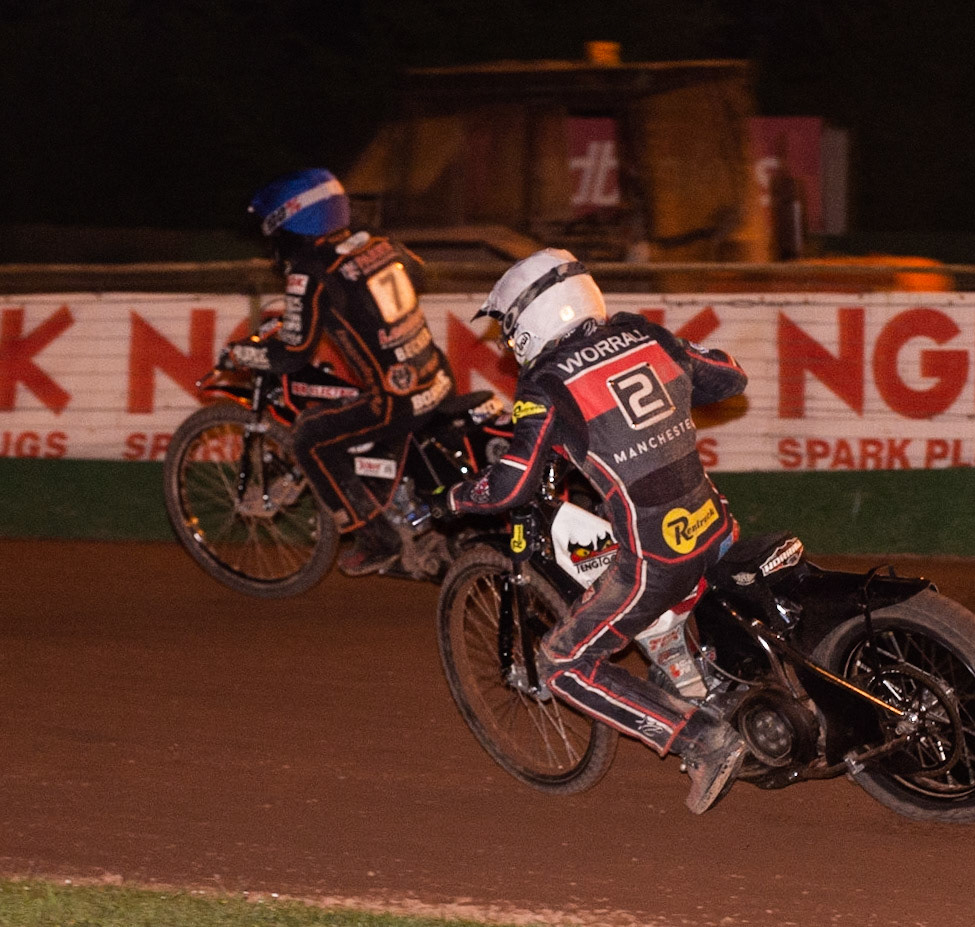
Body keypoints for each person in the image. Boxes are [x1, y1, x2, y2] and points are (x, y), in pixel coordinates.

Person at [446, 248, 749, 813]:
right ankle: (693, 667)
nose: (509, 340)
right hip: (717, 525)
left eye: (509, 325)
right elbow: (730, 376)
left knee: (562, 662)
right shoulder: (642, 333)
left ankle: (700, 740)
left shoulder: (545, 384)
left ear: (532, 317)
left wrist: (459, 496)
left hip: (660, 556)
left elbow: (513, 486)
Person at [226, 168, 453, 576]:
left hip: (397, 400)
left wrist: (241, 354)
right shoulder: (377, 241)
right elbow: (417, 274)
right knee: (357, 412)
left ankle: (377, 539)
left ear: (291, 224)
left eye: (275, 234)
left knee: (310, 437)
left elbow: (292, 354)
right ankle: (401, 510)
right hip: (437, 377)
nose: (275, 246)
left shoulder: (309, 270)